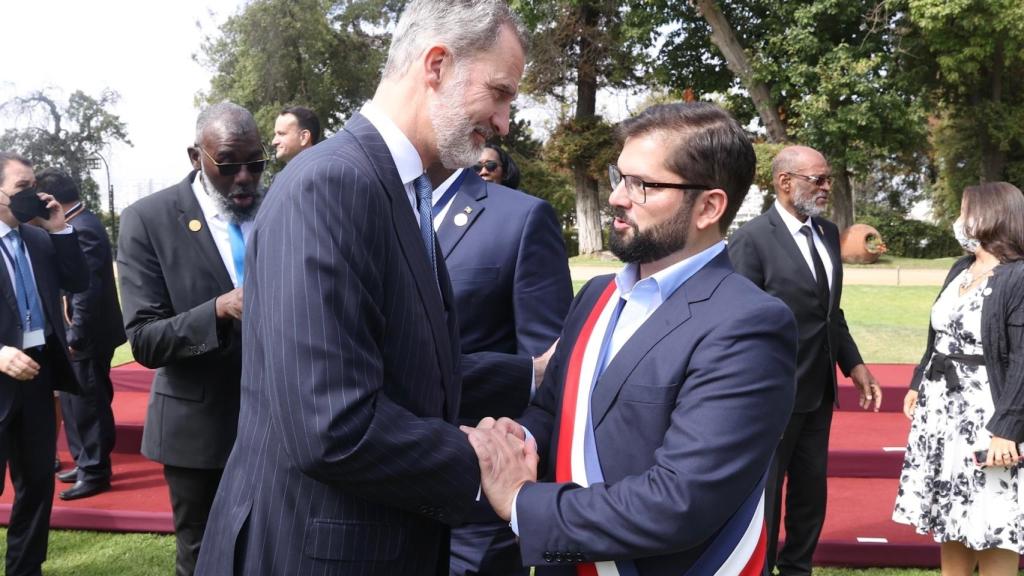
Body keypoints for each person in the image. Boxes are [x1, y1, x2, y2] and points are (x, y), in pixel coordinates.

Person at [196, 1, 529, 574]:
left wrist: (534, 375)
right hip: (315, 552)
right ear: (437, 65)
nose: (503, 122)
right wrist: (485, 461)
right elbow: (332, 425)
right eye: (499, 92)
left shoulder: (395, 185)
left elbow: (399, 363)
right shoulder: (334, 184)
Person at [465, 102, 798, 574]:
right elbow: (558, 412)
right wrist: (515, 441)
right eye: (619, 176)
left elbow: (679, 502)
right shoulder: (598, 296)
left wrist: (522, 501)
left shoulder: (749, 325)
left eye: (643, 184)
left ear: (709, 206)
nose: (618, 196)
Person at [117, 102, 265, 576]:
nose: (244, 177)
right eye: (229, 164)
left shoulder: (282, 204)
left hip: (283, 423)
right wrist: (219, 310)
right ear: (195, 156)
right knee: (206, 560)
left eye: (256, 163)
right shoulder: (148, 219)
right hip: (199, 434)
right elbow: (144, 339)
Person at [728, 144, 882, 576]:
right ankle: (758, 568)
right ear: (784, 182)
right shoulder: (751, 240)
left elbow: (830, 311)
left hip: (819, 389)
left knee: (810, 492)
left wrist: (854, 363)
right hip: (770, 394)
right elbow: (737, 321)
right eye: (818, 179)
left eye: (828, 178)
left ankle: (798, 568)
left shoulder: (828, 233)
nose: (826, 187)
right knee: (766, 493)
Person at [426, 161, 572, 574]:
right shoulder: (368, 210)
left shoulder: (520, 217)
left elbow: (547, 374)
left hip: (472, 508)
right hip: (374, 498)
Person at [893, 182, 1024, 576]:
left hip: (987, 413)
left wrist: (1008, 427)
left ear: (990, 216)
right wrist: (918, 381)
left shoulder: (1016, 277)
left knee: (992, 515)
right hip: (943, 412)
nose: (959, 220)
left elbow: (1022, 357)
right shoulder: (959, 268)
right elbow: (938, 335)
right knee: (951, 510)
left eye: (965, 210)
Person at [0, 152, 88, 576]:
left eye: (34, 186)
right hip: (1, 374)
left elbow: (78, 281)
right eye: (21, 189)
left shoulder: (38, 238)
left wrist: (61, 230)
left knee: (36, 485)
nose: (32, 195)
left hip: (37, 375)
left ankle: (25, 569)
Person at [36, 168, 126, 500]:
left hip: (86, 334)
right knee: (76, 402)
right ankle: (86, 461)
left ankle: (95, 470)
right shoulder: (79, 222)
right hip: (82, 332)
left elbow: (85, 290)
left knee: (88, 403)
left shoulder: (83, 227)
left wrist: (76, 335)